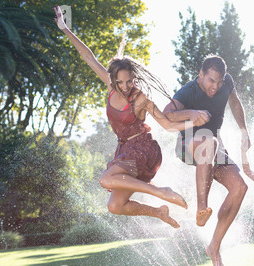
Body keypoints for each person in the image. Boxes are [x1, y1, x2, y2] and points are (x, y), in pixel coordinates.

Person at [54, 6, 209, 229]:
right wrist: (65, 29)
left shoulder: (141, 99)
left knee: (105, 179)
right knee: (115, 206)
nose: (126, 86)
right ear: (114, 80)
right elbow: (87, 56)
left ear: (134, 79)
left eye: (130, 81)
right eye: (121, 82)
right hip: (126, 150)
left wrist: (191, 122)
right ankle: (159, 212)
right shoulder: (110, 88)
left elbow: (166, 124)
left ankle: (161, 192)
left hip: (144, 149)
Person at [163, 55, 250, 266]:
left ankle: (214, 246)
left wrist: (244, 130)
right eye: (211, 80)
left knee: (240, 188)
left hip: (213, 145)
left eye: (219, 82)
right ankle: (201, 207)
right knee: (208, 141)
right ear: (201, 74)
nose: (215, 86)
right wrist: (192, 113)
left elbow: (235, 102)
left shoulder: (226, 83)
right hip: (187, 143)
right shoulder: (188, 91)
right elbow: (167, 114)